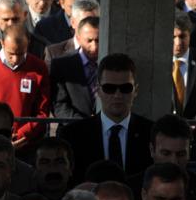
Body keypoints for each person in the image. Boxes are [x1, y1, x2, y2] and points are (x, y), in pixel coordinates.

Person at [58, 53, 153, 184]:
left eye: (125, 88)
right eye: (109, 88)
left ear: (135, 90)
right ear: (97, 90)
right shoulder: (73, 135)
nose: (117, 95)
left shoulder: (151, 133)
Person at [0, 24, 51, 149]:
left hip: (27, 145)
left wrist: (23, 135)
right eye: (11, 54)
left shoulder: (39, 67)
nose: (16, 59)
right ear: (2, 43)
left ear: (28, 43)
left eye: (21, 53)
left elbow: (42, 112)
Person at [49, 16, 100, 119]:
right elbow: (59, 105)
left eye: (98, 40)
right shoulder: (62, 65)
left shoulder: (110, 64)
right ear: (78, 38)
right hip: (72, 126)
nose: (94, 46)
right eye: (89, 41)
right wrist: (84, 123)